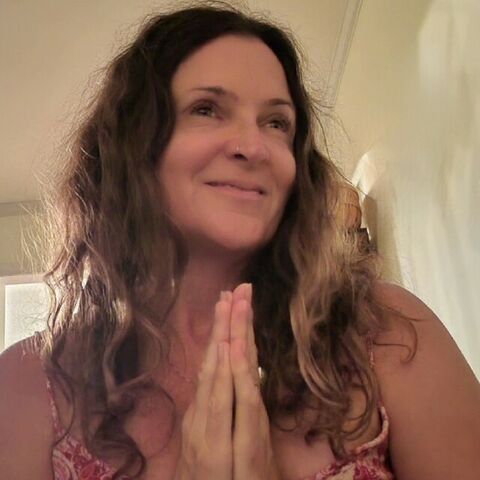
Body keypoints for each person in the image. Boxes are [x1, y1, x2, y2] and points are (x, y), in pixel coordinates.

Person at [0, 3, 479, 480]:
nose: (254, 147)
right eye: (206, 110)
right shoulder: (26, 388)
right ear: (132, 147)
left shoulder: (391, 334)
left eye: (277, 123)